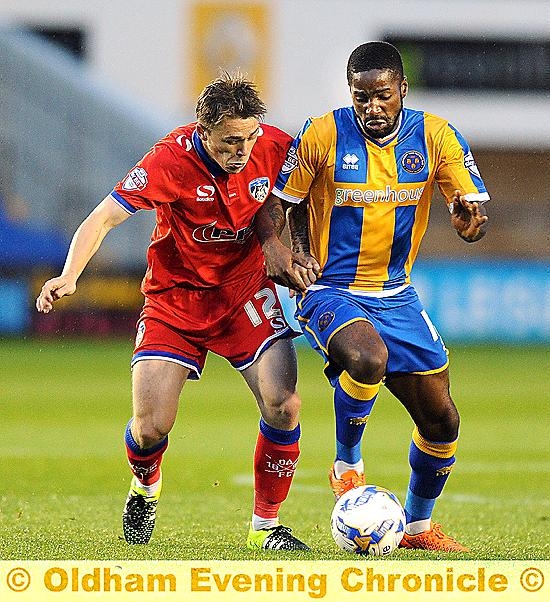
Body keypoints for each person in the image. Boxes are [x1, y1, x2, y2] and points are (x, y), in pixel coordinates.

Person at [36, 71, 310, 551]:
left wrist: (297, 250)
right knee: (150, 428)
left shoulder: (275, 147)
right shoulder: (170, 158)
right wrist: (70, 274)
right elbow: (104, 215)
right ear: (202, 130)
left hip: (244, 295)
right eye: (229, 141)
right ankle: (145, 486)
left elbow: (310, 193)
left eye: (248, 138)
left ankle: (266, 526)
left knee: (284, 404)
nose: (241, 151)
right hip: (174, 300)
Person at [256, 41, 489, 552]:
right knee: (367, 358)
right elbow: (275, 205)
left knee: (443, 421)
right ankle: (347, 465)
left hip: (398, 296)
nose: (372, 108)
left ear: (402, 89)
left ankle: (418, 528)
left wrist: (468, 219)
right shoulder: (322, 134)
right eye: (361, 97)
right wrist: (276, 249)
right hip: (328, 289)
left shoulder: (435, 136)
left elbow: (467, 201)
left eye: (382, 96)